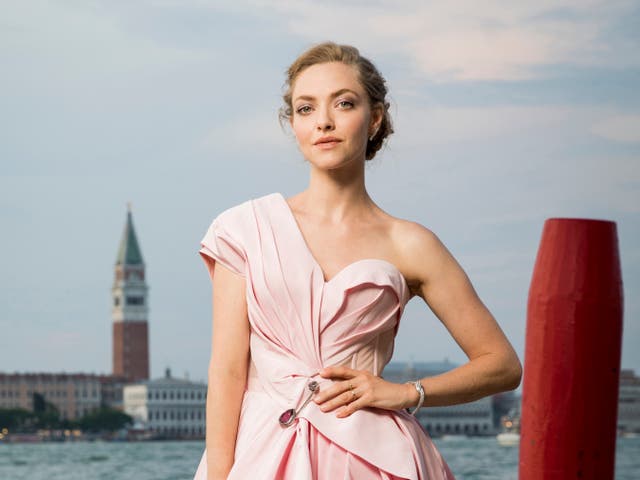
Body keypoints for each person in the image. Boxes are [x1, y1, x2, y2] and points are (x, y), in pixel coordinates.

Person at [193, 41, 522, 480]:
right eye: (305, 109)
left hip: (376, 459)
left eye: (343, 103)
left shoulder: (411, 244)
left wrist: (405, 392)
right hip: (263, 455)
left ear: (376, 118)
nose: (324, 122)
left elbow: (501, 365)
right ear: (292, 123)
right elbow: (228, 371)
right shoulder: (243, 229)